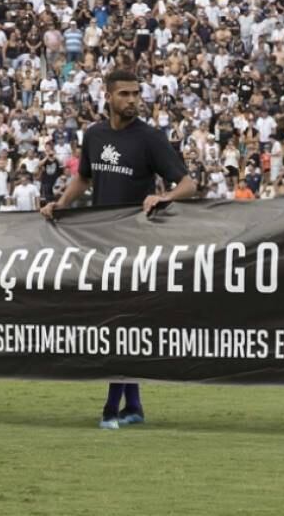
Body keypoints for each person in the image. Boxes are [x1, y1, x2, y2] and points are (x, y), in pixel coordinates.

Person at [40, 68, 197, 429]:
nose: (132, 100)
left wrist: (164, 196)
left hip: (136, 245)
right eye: (124, 94)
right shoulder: (94, 135)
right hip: (100, 244)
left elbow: (188, 184)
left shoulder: (150, 138)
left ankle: (113, 408)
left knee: (119, 325)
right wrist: (62, 202)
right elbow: (85, 176)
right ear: (107, 96)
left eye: (136, 94)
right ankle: (134, 406)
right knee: (118, 327)